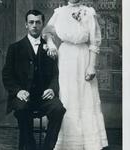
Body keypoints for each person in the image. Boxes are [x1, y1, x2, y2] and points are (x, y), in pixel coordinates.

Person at [43, 0, 108, 149]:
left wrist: (91, 66)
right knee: (66, 96)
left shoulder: (88, 12)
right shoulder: (59, 13)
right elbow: (47, 31)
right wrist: (52, 44)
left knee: (85, 97)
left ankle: (87, 142)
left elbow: (94, 42)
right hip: (65, 57)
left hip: (83, 57)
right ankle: (66, 142)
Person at [2, 10, 66, 150]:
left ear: (43, 24)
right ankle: (30, 145)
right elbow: (7, 75)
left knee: (58, 109)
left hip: (44, 97)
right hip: (24, 96)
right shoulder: (15, 48)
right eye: (31, 22)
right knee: (21, 108)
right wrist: (18, 91)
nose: (34, 25)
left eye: (38, 22)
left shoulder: (50, 49)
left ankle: (47, 147)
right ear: (26, 25)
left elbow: (56, 74)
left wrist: (52, 89)